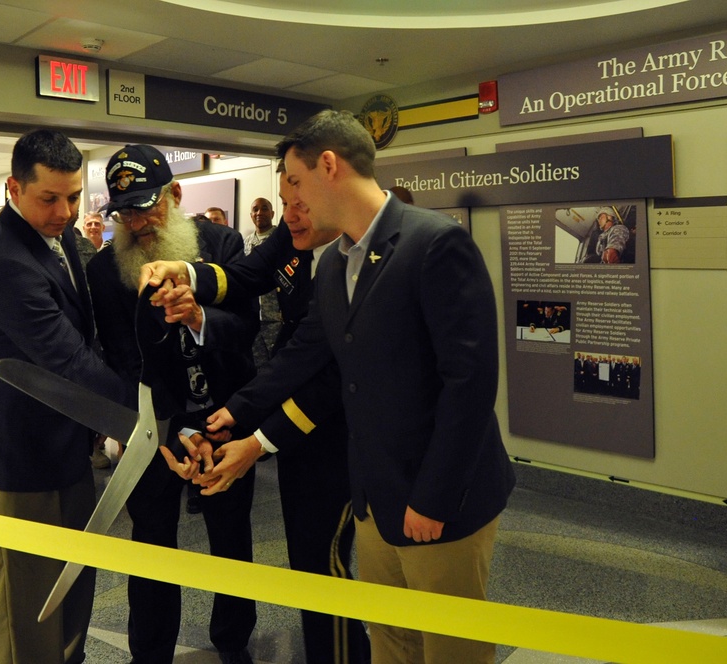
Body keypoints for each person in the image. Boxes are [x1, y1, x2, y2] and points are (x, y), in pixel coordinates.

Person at [152, 110, 516, 664]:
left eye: (294, 185)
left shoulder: (434, 244)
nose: (290, 205)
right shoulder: (333, 265)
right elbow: (306, 354)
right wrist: (237, 411)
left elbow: (468, 385)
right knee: (392, 640)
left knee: (450, 648)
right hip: (374, 498)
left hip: (440, 501)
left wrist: (434, 497)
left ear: (329, 166)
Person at [145, 163, 370, 664]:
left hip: (339, 429)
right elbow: (248, 281)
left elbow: (327, 373)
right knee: (309, 559)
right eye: (284, 203)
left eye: (300, 205)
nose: (288, 217)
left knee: (326, 560)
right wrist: (185, 274)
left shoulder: (358, 264)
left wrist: (257, 438)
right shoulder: (296, 241)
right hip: (296, 416)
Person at [87, 144, 258, 664]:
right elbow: (120, 359)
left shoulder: (224, 245)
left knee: (232, 538)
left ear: (175, 193)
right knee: (152, 543)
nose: (138, 222)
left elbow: (248, 328)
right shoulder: (104, 271)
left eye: (147, 205)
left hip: (226, 422)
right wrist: (162, 432)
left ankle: (234, 642)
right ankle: (151, 652)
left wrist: (198, 317)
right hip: (153, 431)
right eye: (126, 211)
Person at [0, 129, 129, 664]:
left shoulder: (56, 241)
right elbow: (67, 358)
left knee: (73, 591)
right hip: (17, 458)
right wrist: (143, 418)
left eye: (75, 196)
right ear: (14, 187)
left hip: (64, 448)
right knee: (29, 613)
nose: (65, 210)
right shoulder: (3, 260)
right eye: (50, 198)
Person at [243, 198, 280, 368]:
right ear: (251, 215)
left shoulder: (281, 239)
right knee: (258, 368)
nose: (259, 213)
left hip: (277, 317)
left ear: (272, 213)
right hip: (253, 317)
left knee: (280, 365)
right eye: (255, 209)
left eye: (264, 208)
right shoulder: (246, 242)